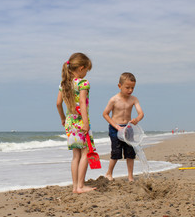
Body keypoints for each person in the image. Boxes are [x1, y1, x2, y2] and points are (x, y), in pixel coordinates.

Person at [56, 52, 96, 193]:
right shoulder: (83, 83)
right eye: (86, 70)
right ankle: (80, 186)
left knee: (75, 156)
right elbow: (83, 105)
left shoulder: (63, 84)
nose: (86, 73)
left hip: (70, 122)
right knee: (85, 153)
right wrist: (85, 123)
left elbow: (58, 103)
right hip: (80, 121)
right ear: (81, 68)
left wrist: (62, 118)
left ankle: (74, 186)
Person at [103, 72, 144, 182]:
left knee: (130, 153)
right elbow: (105, 114)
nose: (130, 90)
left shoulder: (133, 99)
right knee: (116, 153)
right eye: (127, 87)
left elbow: (141, 113)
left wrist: (137, 119)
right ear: (119, 86)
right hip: (115, 128)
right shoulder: (114, 100)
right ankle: (109, 173)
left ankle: (130, 176)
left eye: (132, 88)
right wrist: (115, 126)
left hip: (128, 128)